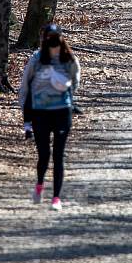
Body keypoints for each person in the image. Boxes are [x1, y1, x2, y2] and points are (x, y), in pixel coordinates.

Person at [19, 23, 80, 210]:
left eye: (56, 36)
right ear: (44, 39)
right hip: (40, 114)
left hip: (62, 112)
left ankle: (56, 198)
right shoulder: (36, 60)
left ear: (61, 38)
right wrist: (26, 120)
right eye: (50, 37)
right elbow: (25, 88)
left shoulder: (68, 58)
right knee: (44, 155)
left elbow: (75, 81)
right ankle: (39, 185)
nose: (53, 40)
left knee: (59, 156)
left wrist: (66, 95)